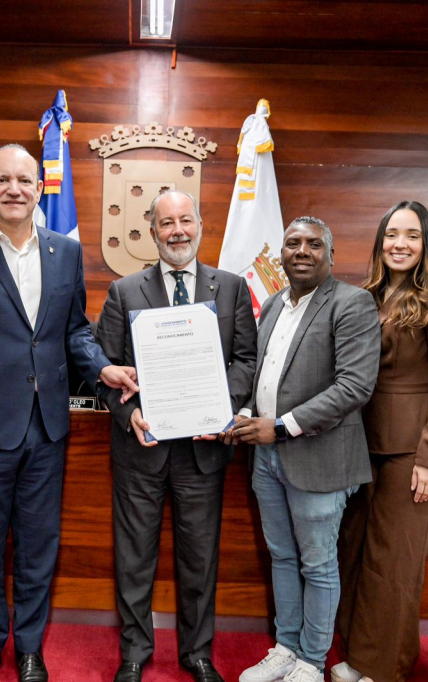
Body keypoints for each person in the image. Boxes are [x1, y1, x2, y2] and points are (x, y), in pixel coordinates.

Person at [0, 143, 139, 682]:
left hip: (47, 429)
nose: (14, 189)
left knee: (39, 547)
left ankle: (30, 648)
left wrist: (103, 369)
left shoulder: (65, 252)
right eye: (3, 180)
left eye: (24, 180)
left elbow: (74, 331)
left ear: (40, 188)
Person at [95, 191, 258, 682]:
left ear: (200, 225)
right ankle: (134, 653)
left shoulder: (231, 288)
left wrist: (220, 407)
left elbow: (246, 360)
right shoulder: (124, 291)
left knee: (200, 559)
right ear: (153, 232)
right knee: (134, 557)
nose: (178, 231)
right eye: (167, 223)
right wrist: (129, 414)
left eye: (186, 220)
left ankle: (198, 654)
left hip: (203, 452)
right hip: (141, 448)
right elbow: (104, 371)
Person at [233, 217, 381, 682]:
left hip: (320, 458)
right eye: (292, 243)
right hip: (266, 458)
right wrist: (244, 411)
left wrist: (279, 427)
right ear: (280, 254)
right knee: (281, 556)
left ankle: (311, 662)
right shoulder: (273, 303)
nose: (301, 251)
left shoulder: (352, 303)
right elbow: (264, 375)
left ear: (331, 255)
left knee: (318, 564)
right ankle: (285, 648)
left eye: (314, 244)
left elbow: (354, 387)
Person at [331, 202, 428, 682]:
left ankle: (383, 667)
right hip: (361, 446)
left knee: (394, 562)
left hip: (413, 452)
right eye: (392, 234)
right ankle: (359, 653)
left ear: (426, 242)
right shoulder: (367, 296)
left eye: (411, 235)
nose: (400, 244)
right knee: (357, 552)